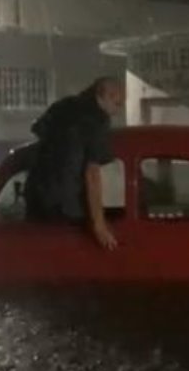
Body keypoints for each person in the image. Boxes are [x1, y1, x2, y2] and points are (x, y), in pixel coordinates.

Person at [26, 76, 125, 250]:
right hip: (66, 206)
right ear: (106, 95)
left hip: (37, 198)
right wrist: (100, 226)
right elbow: (92, 174)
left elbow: (37, 129)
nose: (118, 111)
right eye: (118, 104)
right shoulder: (98, 122)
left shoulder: (64, 105)